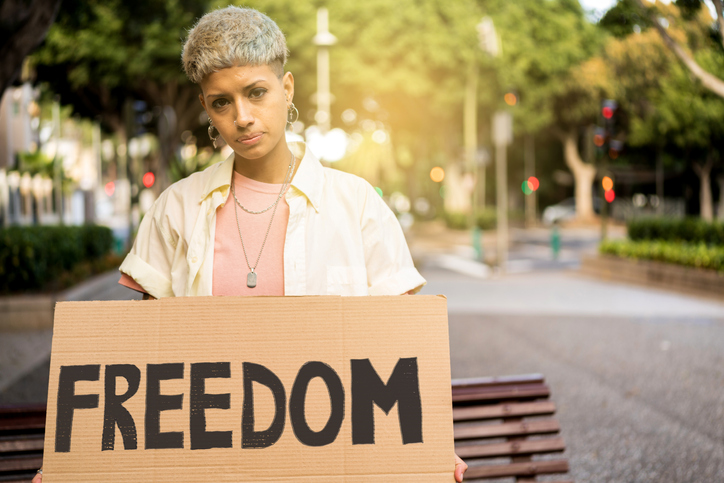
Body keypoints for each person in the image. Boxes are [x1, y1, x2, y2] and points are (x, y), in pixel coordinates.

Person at [33, 6, 467, 481]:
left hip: (328, 466)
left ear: (287, 88)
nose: (242, 117)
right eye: (221, 103)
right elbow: (146, 363)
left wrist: (429, 444)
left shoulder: (357, 204)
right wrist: (74, 462)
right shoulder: (175, 209)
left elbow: (399, 349)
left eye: (257, 93)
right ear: (205, 107)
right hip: (208, 468)